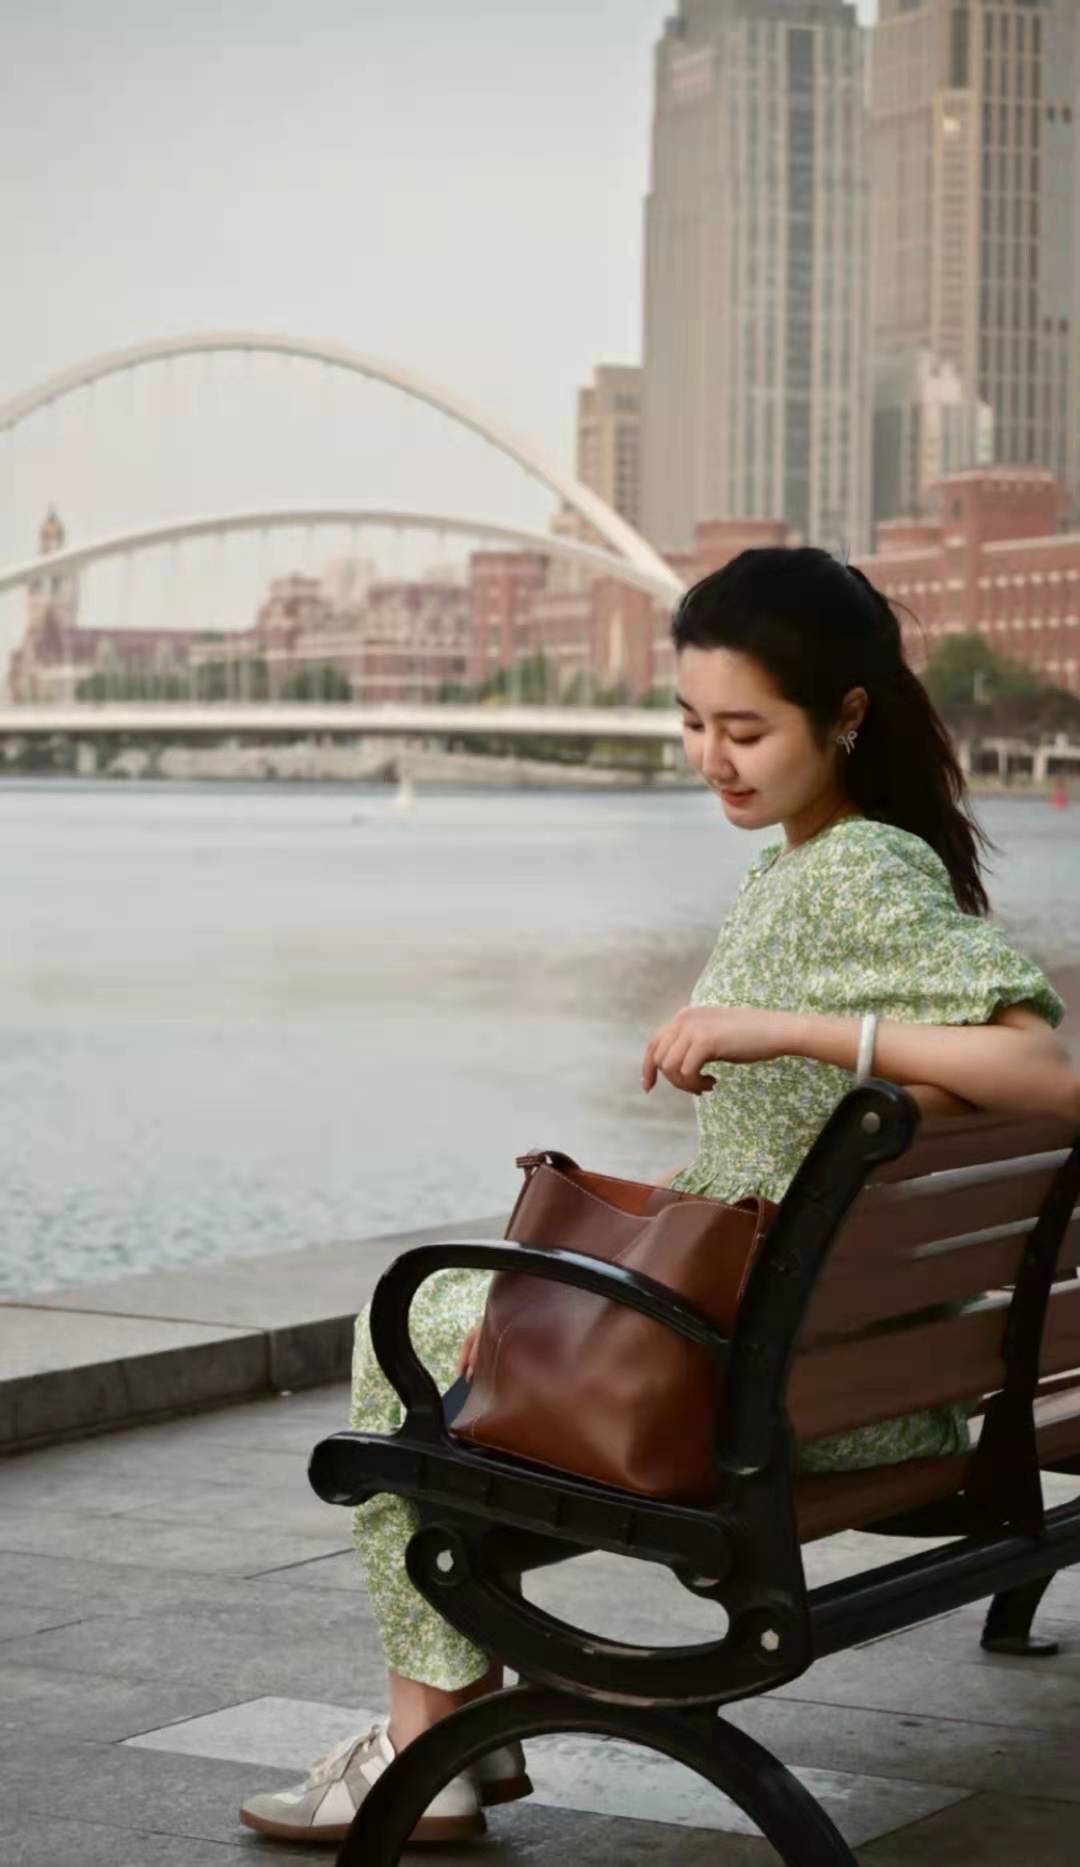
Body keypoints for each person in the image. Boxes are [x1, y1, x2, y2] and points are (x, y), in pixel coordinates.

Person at [241, 547, 1078, 1847]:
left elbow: (1046, 1069)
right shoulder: (835, 861)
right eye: (692, 723)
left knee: (405, 1330)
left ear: (846, 715)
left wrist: (792, 1027)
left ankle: (431, 1751)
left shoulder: (857, 873)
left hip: (772, 1401)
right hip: (857, 1374)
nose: (713, 759)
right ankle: (455, 1730)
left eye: (747, 729)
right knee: (472, 1325)